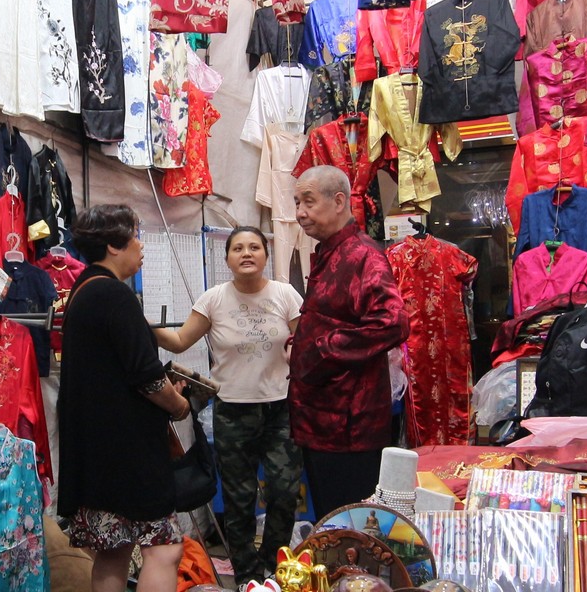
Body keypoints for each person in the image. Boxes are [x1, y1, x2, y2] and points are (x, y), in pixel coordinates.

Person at [155, 226, 303, 582]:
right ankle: (247, 577)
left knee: (284, 494)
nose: (247, 253)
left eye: (254, 247)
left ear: (266, 256)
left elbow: (305, 339)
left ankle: (275, 568)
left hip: (281, 409)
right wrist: (138, 324)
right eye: (238, 248)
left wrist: (298, 351)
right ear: (228, 259)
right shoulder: (213, 299)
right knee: (239, 500)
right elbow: (178, 341)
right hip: (233, 411)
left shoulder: (286, 294)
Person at [57, 204, 188, 592]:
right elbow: (147, 378)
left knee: (113, 551)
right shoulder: (114, 295)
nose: (140, 245)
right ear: (114, 246)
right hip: (128, 453)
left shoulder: (83, 291)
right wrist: (179, 405)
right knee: (164, 549)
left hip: (97, 451)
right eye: (134, 236)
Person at [289, 165, 409, 518]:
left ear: (339, 201)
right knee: (330, 523)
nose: (300, 213)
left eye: (308, 202)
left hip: (348, 427)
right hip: (320, 421)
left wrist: (323, 349)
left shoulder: (362, 254)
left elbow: (393, 322)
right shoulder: (330, 252)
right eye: (297, 203)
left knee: (351, 527)